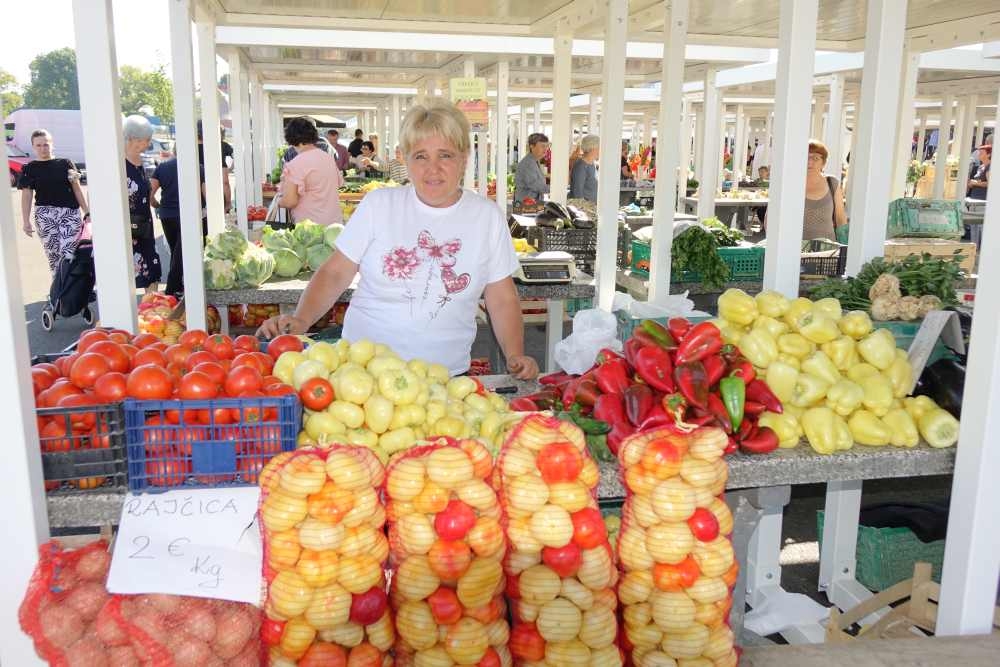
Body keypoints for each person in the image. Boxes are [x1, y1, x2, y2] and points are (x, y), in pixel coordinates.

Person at [257, 100, 539, 380]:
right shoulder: (379, 204)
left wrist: (515, 355)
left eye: (445, 155)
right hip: (362, 374)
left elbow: (501, 297)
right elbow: (335, 273)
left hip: (444, 379)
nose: (433, 168)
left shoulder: (486, 216)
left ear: (464, 158)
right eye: (420, 156)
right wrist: (302, 319)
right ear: (404, 158)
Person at [18, 129, 91, 273]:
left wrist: (87, 212)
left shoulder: (65, 164)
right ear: (33, 147)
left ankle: (73, 289)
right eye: (38, 145)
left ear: (52, 145)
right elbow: (26, 196)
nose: (43, 148)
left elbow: (77, 189)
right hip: (45, 215)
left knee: (69, 252)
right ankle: (58, 290)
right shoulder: (30, 168)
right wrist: (26, 221)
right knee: (53, 255)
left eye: (46, 144)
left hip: (69, 213)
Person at [150, 157, 207, 297]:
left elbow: (150, 191)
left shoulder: (162, 167)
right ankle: (173, 287)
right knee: (180, 253)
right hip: (189, 216)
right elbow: (205, 191)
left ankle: (178, 285)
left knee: (176, 251)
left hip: (167, 216)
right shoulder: (198, 168)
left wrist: (156, 204)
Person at [279, 116, 344, 225]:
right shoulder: (327, 158)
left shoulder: (295, 164)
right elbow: (338, 184)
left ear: (290, 137)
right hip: (334, 223)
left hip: (310, 229)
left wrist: (279, 202)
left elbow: (290, 201)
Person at [123, 115, 163, 292]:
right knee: (132, 273)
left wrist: (155, 203)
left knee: (153, 269)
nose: (149, 144)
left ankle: (152, 310)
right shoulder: (118, 164)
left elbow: (145, 192)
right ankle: (139, 313)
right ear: (133, 140)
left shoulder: (142, 161)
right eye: (146, 140)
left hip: (144, 226)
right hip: (129, 229)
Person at [802, 139, 848, 240]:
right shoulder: (791, 184)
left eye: (815, 158)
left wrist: (844, 248)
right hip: (793, 250)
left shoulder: (832, 183)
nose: (810, 162)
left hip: (827, 252)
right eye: (807, 157)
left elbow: (841, 219)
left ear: (823, 163)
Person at [196, 121, 232, 213]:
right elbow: (225, 182)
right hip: (216, 196)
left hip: (196, 198)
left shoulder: (191, 148)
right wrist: (228, 203)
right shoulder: (220, 146)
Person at [514, 132, 550, 204]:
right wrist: (556, 188)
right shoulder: (528, 163)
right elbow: (538, 186)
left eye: (547, 146)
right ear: (532, 146)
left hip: (531, 205)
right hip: (525, 206)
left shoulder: (535, 161)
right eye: (542, 146)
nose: (545, 149)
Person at [569, 134, 600, 202]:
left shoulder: (592, 164)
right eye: (599, 147)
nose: (601, 150)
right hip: (584, 210)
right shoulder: (581, 166)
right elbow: (577, 194)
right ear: (592, 148)